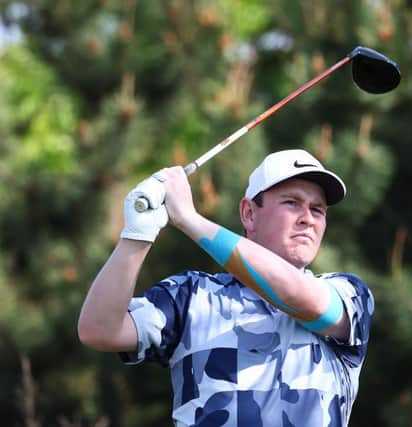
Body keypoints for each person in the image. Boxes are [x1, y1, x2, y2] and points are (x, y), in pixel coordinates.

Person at [77, 149, 375, 427]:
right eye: (292, 202)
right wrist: (137, 234)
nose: (307, 218)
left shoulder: (349, 293)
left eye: (318, 209)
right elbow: (99, 330)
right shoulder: (191, 294)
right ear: (249, 213)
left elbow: (300, 298)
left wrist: (189, 219)